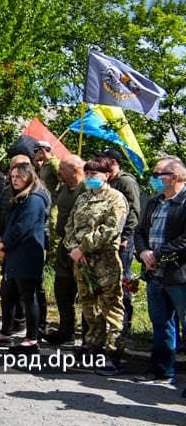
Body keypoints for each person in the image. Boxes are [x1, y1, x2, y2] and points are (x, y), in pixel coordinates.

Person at [64, 156, 129, 374]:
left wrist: (83, 247)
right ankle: (93, 348)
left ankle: (113, 354)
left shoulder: (116, 199)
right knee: (89, 307)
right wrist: (74, 248)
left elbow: (111, 230)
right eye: (88, 174)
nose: (91, 178)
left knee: (110, 307)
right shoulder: (82, 198)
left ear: (107, 175)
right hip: (82, 262)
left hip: (104, 261)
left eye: (95, 174)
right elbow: (70, 225)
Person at [133, 156, 186, 387]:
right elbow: (139, 231)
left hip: (180, 275)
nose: (153, 179)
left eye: (157, 175)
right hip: (155, 274)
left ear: (174, 177)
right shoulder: (155, 202)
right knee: (161, 324)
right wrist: (144, 253)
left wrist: (159, 254)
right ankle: (162, 371)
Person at [0, 163, 49, 351]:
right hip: (15, 253)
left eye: (19, 176)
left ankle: (31, 340)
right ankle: (5, 333)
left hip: (27, 253)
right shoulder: (20, 197)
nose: (14, 179)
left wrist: (3, 243)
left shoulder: (34, 199)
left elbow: (22, 226)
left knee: (28, 296)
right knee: (7, 293)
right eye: (12, 176)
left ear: (29, 177)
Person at [97, 147, 141, 340]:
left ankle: (124, 326)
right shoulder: (108, 181)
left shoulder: (125, 181)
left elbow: (134, 211)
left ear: (113, 163)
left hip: (123, 240)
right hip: (108, 239)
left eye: (103, 160)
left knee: (123, 282)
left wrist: (126, 236)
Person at [42, 155, 86, 346]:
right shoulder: (63, 189)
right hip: (64, 245)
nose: (58, 172)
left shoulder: (88, 190)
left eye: (62, 168)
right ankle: (66, 330)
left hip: (83, 249)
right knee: (62, 290)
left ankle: (88, 336)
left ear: (75, 169)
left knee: (86, 294)